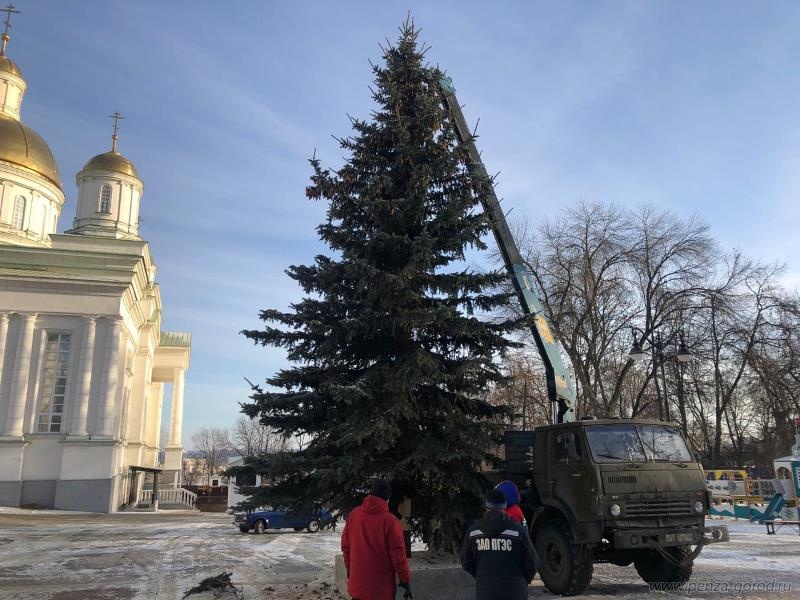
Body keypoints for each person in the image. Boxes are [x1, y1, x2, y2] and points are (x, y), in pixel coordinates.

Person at [461, 488, 538, 600]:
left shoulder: (474, 532)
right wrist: (522, 580)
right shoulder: (517, 531)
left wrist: (483, 575)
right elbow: (533, 561)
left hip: (486, 592)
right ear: (505, 507)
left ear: (486, 507)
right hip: (515, 591)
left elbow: (466, 561)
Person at [341, 479, 412, 600]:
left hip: (358, 588)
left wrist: (350, 569)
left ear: (371, 493)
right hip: (381, 590)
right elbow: (398, 556)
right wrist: (405, 579)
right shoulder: (390, 522)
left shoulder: (354, 515)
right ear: (388, 498)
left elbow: (345, 547)